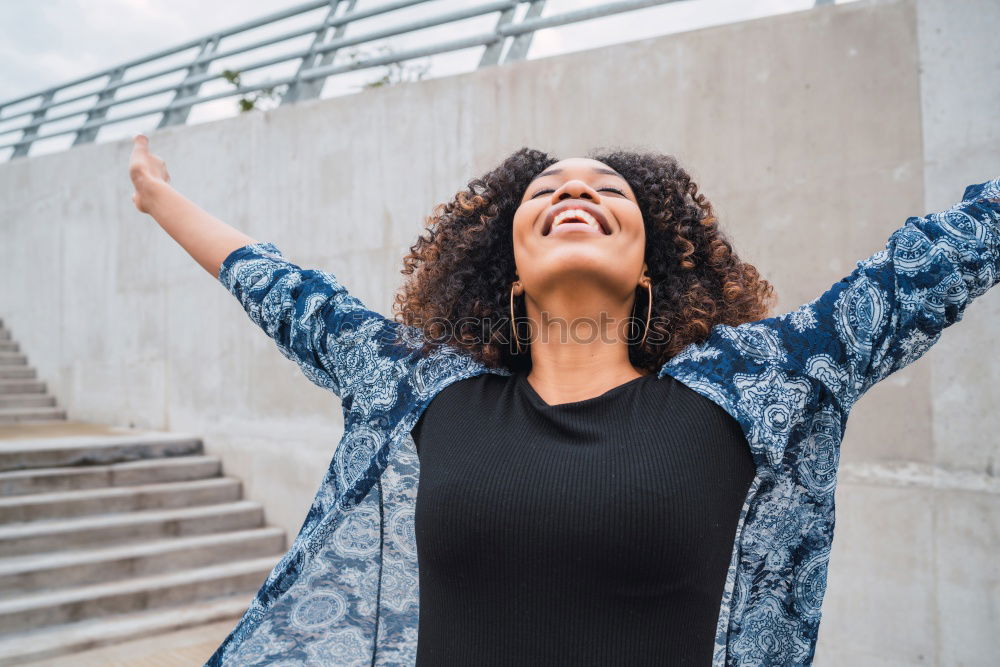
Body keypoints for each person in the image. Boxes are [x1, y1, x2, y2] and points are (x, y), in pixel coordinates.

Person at [128, 133, 999, 666]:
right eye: (546, 193)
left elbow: (931, 263)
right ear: (507, 272)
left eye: (607, 190)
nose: (574, 192)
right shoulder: (426, 388)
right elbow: (289, 292)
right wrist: (163, 202)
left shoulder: (758, 386)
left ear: (652, 266)